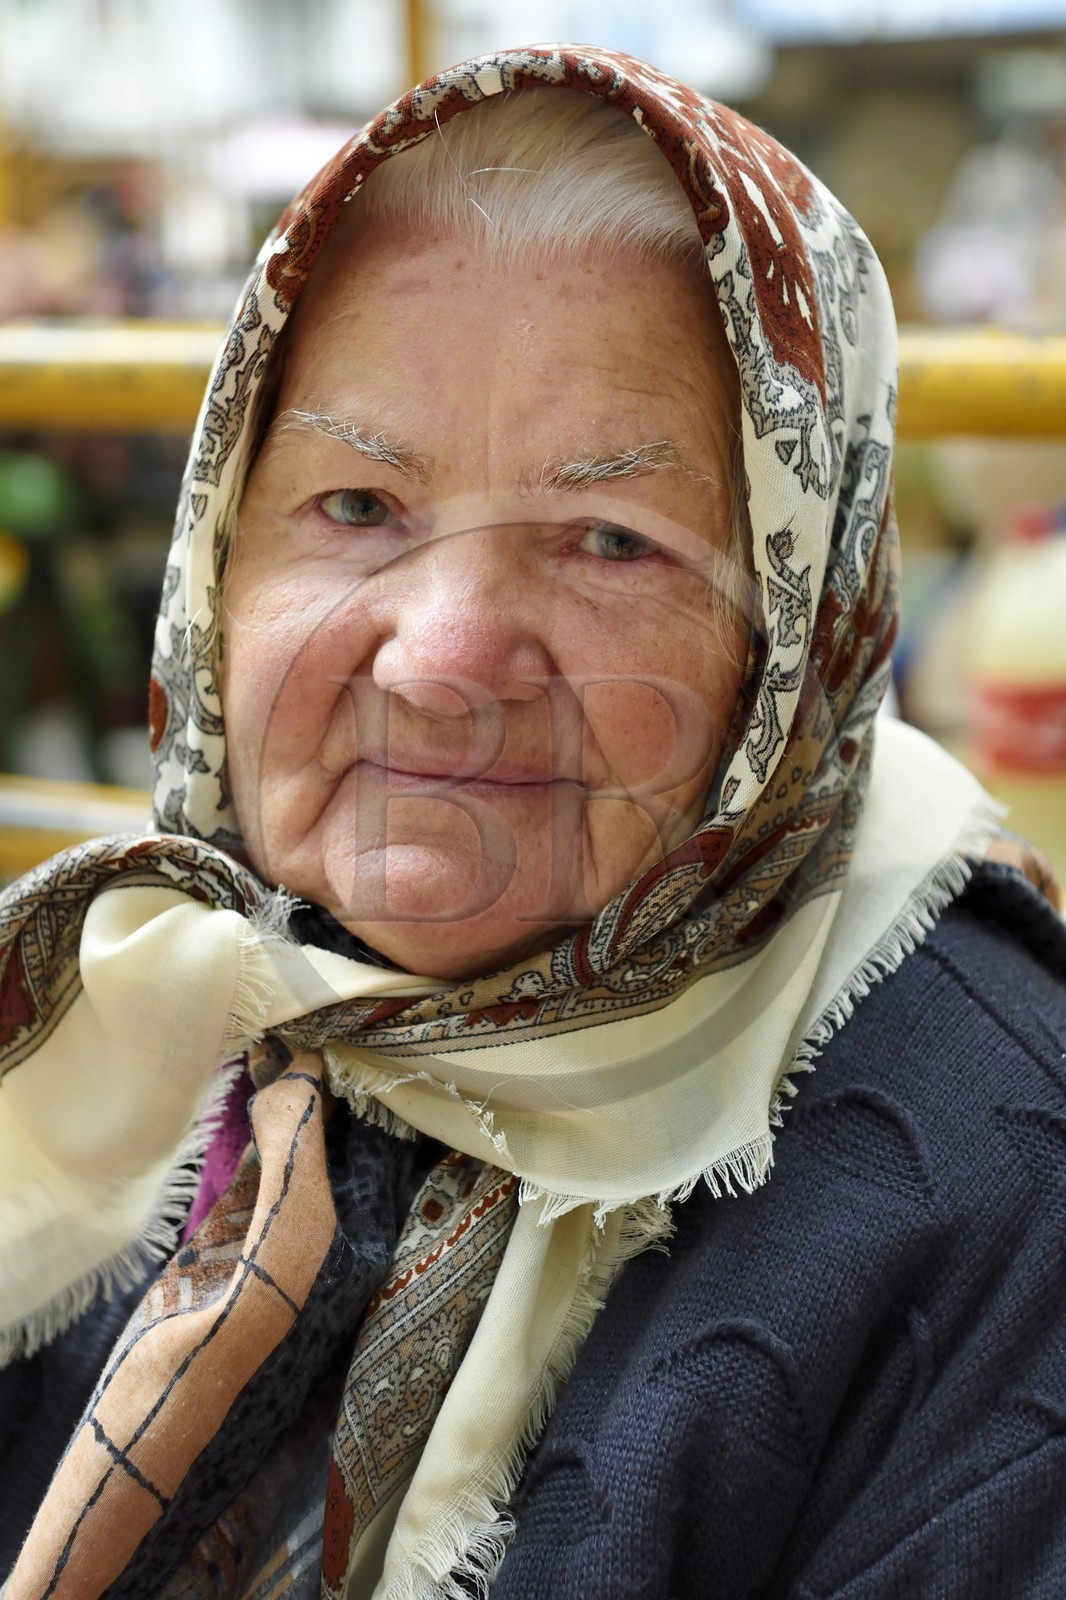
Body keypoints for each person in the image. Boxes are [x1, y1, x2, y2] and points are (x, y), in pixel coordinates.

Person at [2, 43, 1065, 1600]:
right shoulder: (143, 1003)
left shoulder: (1000, 1181)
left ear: (793, 624)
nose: (439, 662)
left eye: (606, 540)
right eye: (355, 508)